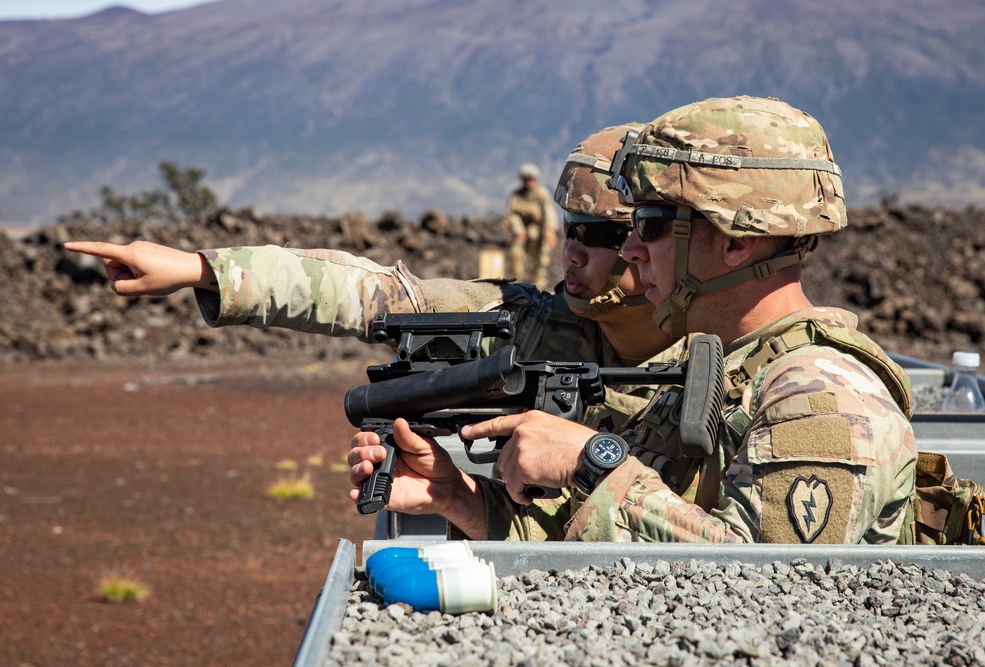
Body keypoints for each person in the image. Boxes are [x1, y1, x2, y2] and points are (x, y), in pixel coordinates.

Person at [347, 96, 918, 545]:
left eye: (649, 225)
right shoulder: (725, 372)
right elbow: (635, 545)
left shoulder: (819, 398)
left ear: (737, 242)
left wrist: (591, 459)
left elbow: (763, 587)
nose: (633, 251)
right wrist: (458, 497)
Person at [65, 124, 685, 436]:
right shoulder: (524, 326)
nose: (573, 252)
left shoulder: (731, 358)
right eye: (570, 230)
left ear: (655, 238)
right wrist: (201, 269)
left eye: (600, 236)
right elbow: (371, 294)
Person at [505, 163, 559, 291]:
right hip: (521, 232)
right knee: (516, 255)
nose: (528, 182)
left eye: (531, 179)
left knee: (541, 260)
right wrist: (518, 229)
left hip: (538, 232)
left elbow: (549, 212)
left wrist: (549, 230)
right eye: (526, 179)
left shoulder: (542, 194)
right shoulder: (517, 195)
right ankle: (516, 287)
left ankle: (538, 288)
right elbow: (512, 214)